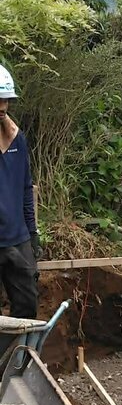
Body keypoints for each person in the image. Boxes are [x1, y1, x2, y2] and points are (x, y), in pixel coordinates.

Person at [0, 63, 40, 358]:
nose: (3, 107)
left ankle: (14, 365)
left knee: (26, 306)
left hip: (17, 239)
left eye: (6, 101)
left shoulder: (17, 139)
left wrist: (32, 233)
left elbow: (26, 189)